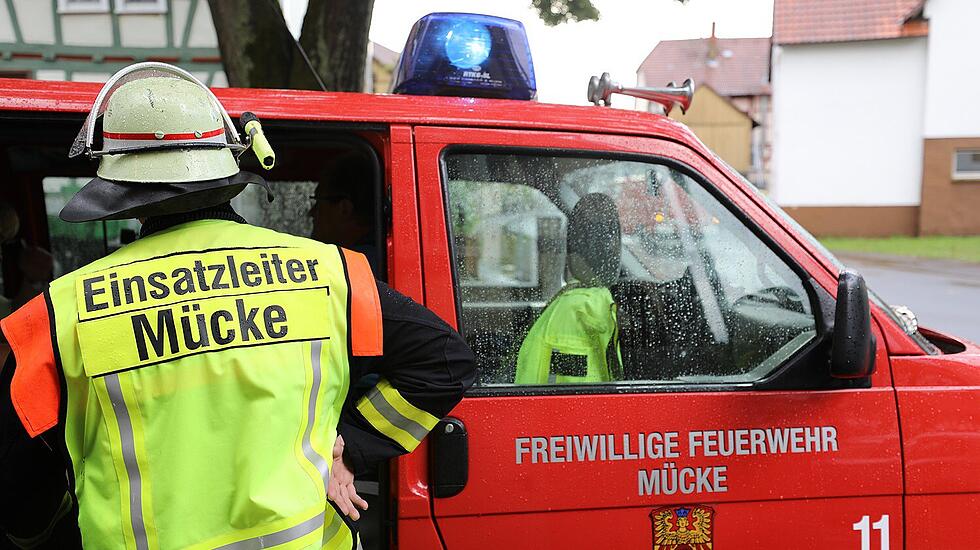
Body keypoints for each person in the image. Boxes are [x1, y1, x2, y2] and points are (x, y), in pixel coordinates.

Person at [0, 63, 474, 549]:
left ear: (120, 185)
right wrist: (350, 447)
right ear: (229, 166)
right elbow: (445, 362)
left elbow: (20, 497)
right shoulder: (331, 274)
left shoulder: (61, 312)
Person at [515, 193, 624, 384]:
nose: (616, 247)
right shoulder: (587, 309)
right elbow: (585, 396)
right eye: (612, 237)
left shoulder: (566, 304)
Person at [310, 155, 380, 274]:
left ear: (344, 208)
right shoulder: (378, 259)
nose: (311, 212)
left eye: (319, 202)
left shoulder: (343, 270)